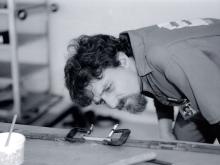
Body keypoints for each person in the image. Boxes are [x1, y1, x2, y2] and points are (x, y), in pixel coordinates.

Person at [64, 18, 220, 143]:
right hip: (202, 90)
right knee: (182, 152)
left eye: (108, 88)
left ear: (122, 61)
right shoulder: (137, 56)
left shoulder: (165, 56)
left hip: (214, 90)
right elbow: (159, 84)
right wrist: (165, 132)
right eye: (101, 101)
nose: (112, 104)